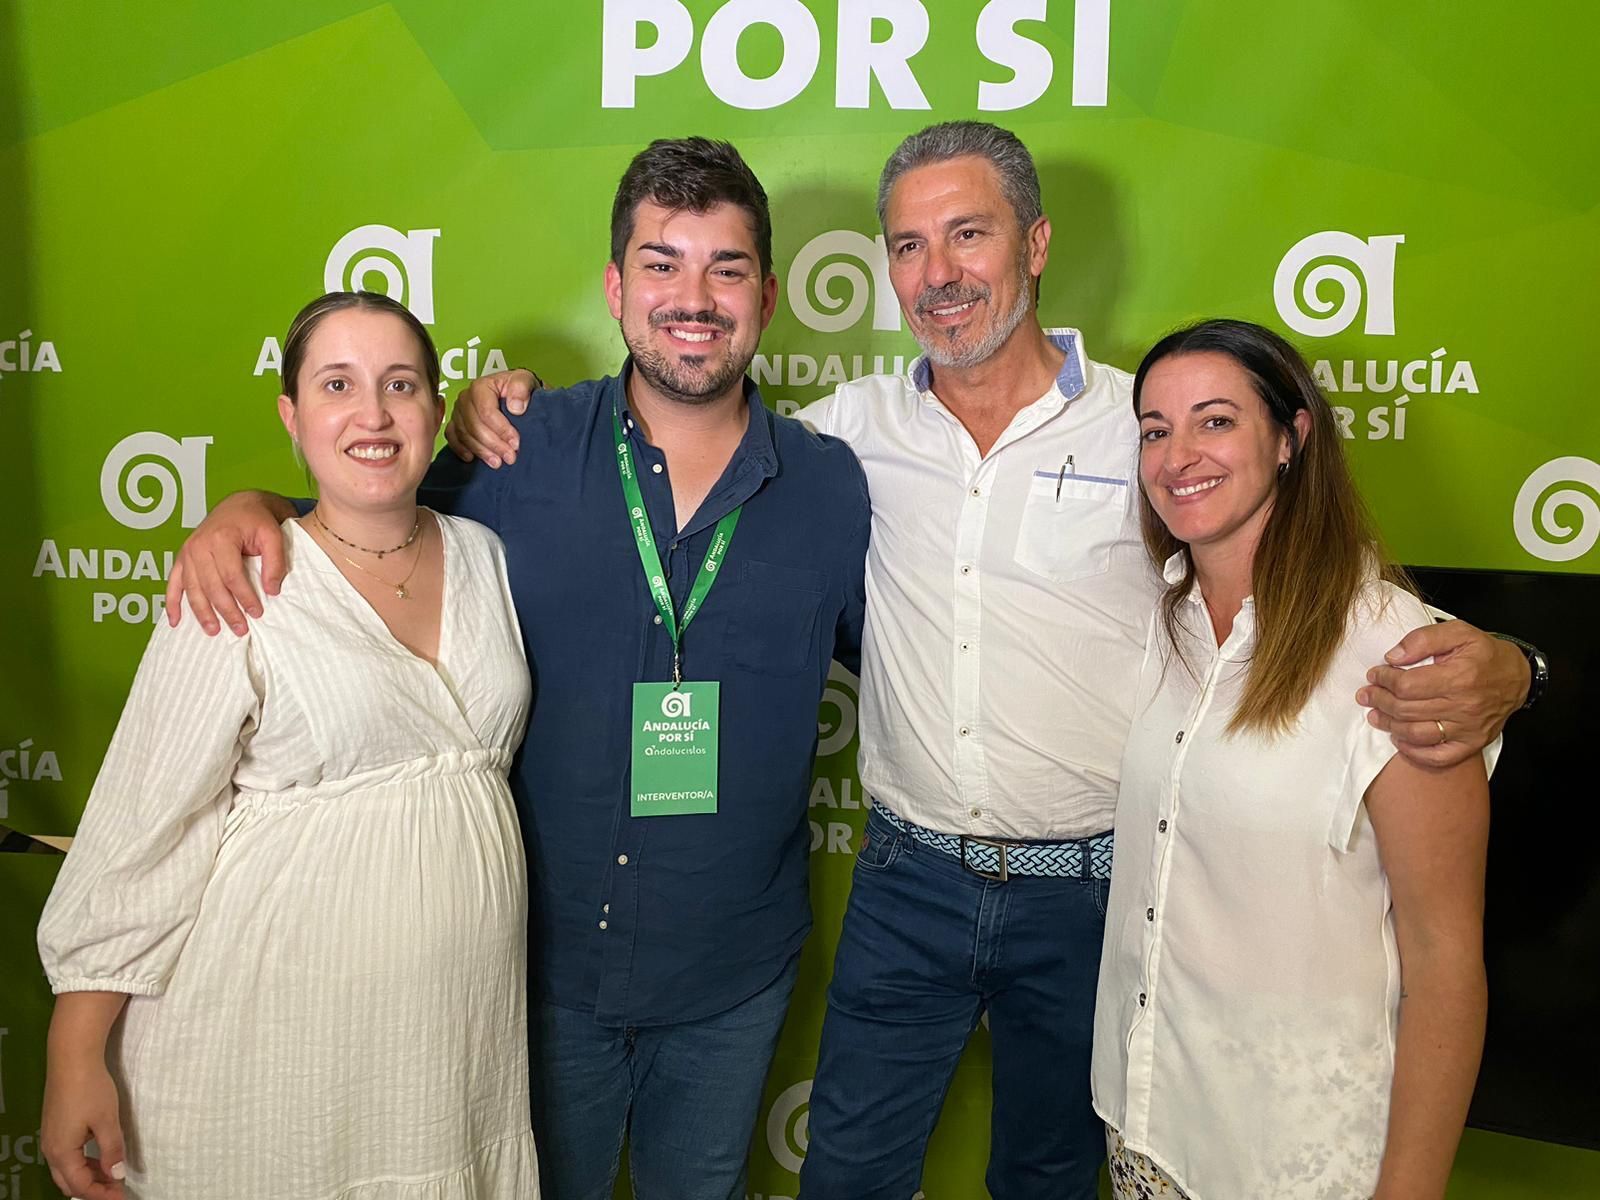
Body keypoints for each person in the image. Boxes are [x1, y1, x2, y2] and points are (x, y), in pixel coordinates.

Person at [163, 139, 871, 1200]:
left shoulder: (830, 488)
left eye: (725, 268)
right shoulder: (515, 450)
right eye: (660, 263)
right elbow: (361, 519)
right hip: (530, 977)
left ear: (767, 294)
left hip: (732, 980)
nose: (693, 297)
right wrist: (245, 509)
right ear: (614, 287)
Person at [37, 291, 540, 1199]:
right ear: (292, 415)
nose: (373, 414)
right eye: (337, 384)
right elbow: (145, 826)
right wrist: (75, 1055)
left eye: (399, 384)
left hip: (445, 1056)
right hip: (263, 1043)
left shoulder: (485, 556)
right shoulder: (241, 578)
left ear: (435, 406)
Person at [1091, 318, 1491, 1200]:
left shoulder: (1396, 656)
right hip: (1148, 1128)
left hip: (1295, 1160)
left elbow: (1445, 962)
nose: (1177, 454)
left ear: (1290, 437)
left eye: (1215, 421)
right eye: (1155, 429)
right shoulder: (1165, 622)